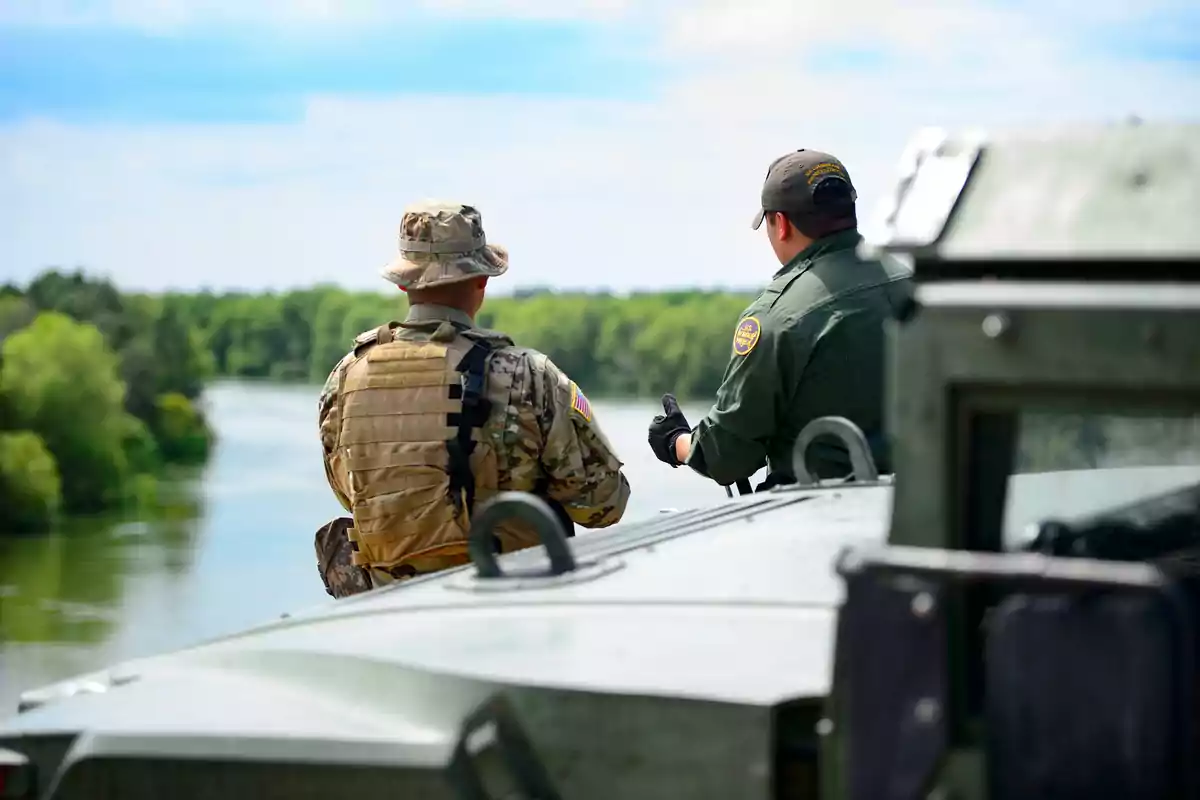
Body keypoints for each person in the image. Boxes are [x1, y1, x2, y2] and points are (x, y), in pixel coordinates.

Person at [315, 200, 630, 597]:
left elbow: (350, 492)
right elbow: (604, 504)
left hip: (388, 611)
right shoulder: (528, 376)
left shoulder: (345, 378)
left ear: (403, 284)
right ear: (481, 280)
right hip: (506, 607)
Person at [647, 149, 913, 490]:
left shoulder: (776, 317)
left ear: (781, 224)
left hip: (817, 519)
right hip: (920, 510)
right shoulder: (916, 286)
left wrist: (678, 443)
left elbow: (726, 455)